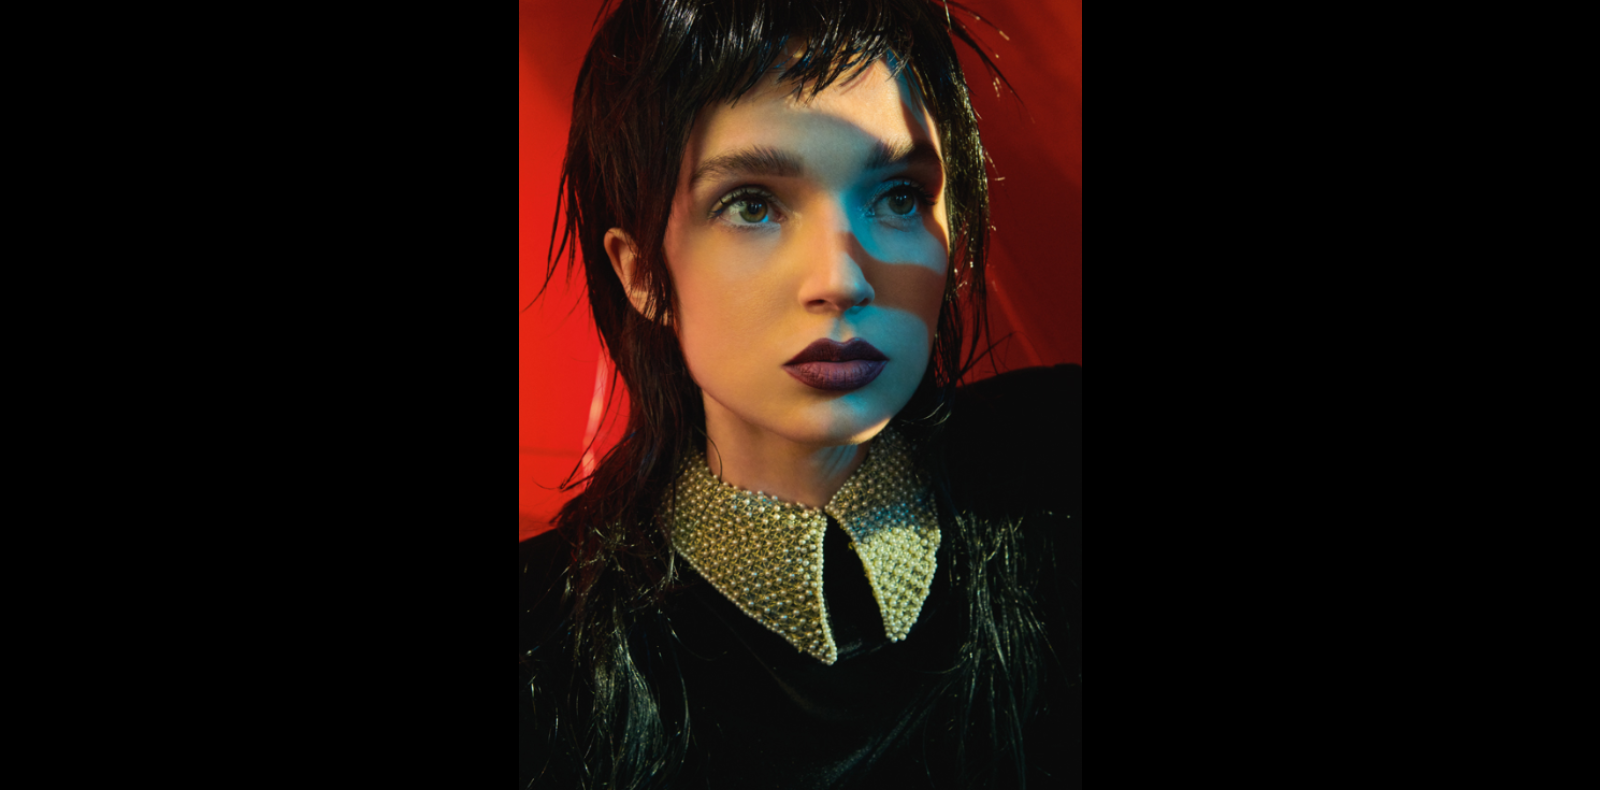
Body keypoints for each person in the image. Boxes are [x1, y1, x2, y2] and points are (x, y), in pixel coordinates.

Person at [519, 1, 1081, 787]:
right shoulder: (544, 635)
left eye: (899, 195)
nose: (840, 281)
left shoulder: (1056, 474)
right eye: (751, 204)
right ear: (640, 271)